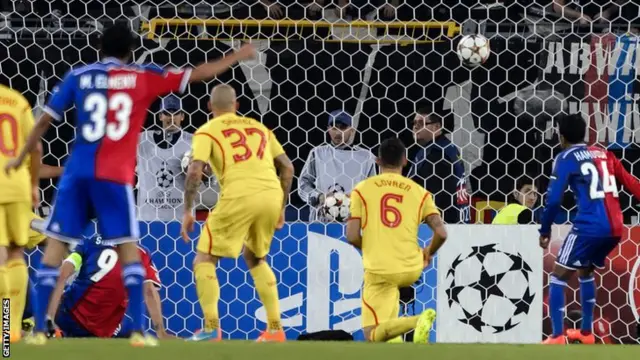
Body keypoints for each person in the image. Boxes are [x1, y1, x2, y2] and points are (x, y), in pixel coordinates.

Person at [5, 24, 256, 346]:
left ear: (98, 47)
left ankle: (39, 330)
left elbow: (43, 121)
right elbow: (197, 73)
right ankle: (139, 331)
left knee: (54, 252)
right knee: (128, 252)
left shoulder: (78, 76)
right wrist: (239, 54)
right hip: (113, 177)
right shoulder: (141, 76)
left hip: (76, 174)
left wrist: (19, 159)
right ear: (131, 51)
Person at [181, 84, 294, 342]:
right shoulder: (260, 128)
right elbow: (287, 167)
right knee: (255, 258)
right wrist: (282, 207)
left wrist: (187, 210)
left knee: (204, 259)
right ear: (237, 105)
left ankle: (211, 328)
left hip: (239, 194)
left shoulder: (207, 130)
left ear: (210, 107)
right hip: (271, 194)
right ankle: (275, 330)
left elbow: (195, 170)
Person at [539, 114, 640, 344]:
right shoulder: (605, 153)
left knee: (557, 276)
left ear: (561, 137)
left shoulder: (565, 157)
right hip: (615, 227)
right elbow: (631, 182)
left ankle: (555, 336)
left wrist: (545, 230)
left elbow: (554, 200)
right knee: (586, 273)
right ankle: (586, 333)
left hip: (589, 226)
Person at [345, 137, 447, 343]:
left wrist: (372, 247)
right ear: (405, 160)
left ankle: (416, 321)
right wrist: (429, 252)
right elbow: (442, 233)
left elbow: (352, 235)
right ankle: (398, 343)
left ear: (378, 161)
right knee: (388, 327)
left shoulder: (362, 190)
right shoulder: (420, 192)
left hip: (380, 268)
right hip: (411, 266)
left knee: (372, 333)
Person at [46, 238, 165, 339]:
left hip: (67, 314)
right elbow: (149, 291)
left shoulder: (88, 243)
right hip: (101, 329)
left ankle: (52, 331)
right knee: (133, 335)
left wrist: (50, 320)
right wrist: (161, 333)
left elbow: (62, 275)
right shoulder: (141, 253)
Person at [0, 83, 42, 343]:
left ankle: (3, 329)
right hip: (17, 185)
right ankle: (12, 328)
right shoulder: (17, 101)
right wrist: (34, 184)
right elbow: (35, 147)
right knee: (16, 252)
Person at [137, 94, 218, 222]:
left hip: (181, 219)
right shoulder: (143, 140)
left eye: (176, 113)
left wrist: (206, 172)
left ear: (183, 116)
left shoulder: (194, 141)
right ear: (160, 116)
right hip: (148, 218)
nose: (171, 118)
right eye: (167, 113)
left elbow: (210, 176)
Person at [298, 110, 376, 222]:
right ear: (328, 129)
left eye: (343, 127)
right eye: (334, 128)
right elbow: (303, 184)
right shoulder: (318, 153)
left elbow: (373, 191)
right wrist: (319, 197)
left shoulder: (366, 157)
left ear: (352, 130)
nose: (338, 132)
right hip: (320, 223)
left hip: (353, 224)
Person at [409, 106, 470, 224]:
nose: (415, 127)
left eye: (421, 123)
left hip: (439, 228)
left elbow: (438, 198)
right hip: (457, 223)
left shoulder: (436, 154)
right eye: (414, 123)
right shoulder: (447, 148)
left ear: (436, 126)